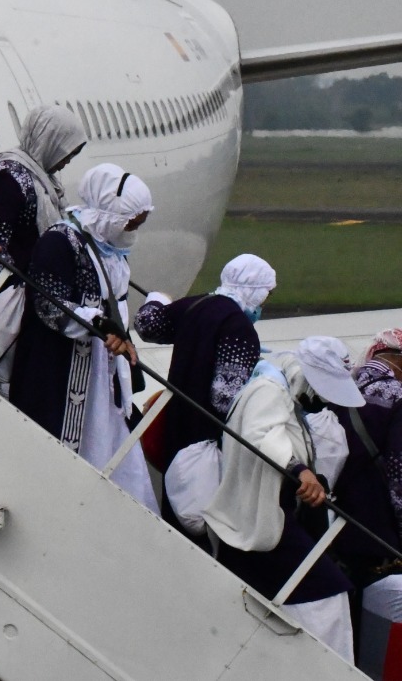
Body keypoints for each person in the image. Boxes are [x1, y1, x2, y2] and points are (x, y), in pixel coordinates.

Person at [8, 163, 159, 512]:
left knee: (111, 448)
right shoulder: (61, 243)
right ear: (107, 212)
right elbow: (47, 304)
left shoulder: (109, 247)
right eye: (129, 223)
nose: (132, 232)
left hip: (99, 376)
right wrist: (100, 324)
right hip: (61, 374)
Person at [203, 338, 363, 661]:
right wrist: (300, 470)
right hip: (261, 526)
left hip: (272, 520)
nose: (322, 399)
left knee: (327, 591)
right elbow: (261, 434)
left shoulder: (284, 393)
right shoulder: (270, 390)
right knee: (327, 595)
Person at [133, 253, 270, 468]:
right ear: (256, 290)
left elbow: (147, 326)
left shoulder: (196, 305)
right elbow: (225, 399)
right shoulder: (239, 327)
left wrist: (155, 301)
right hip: (207, 442)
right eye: (266, 294)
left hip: (175, 426)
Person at [0, 103, 86, 280]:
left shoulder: (43, 178)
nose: (68, 161)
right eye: (68, 152)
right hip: (13, 291)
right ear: (50, 142)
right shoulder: (6, 179)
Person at [331, 329, 402, 605]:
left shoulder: (346, 387)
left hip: (341, 521)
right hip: (380, 529)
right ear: (397, 360)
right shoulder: (397, 395)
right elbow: (398, 470)